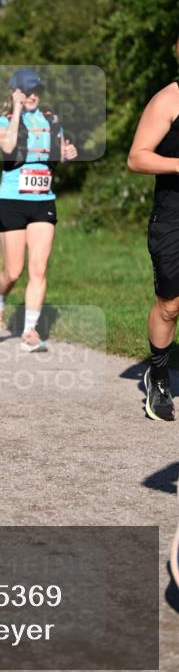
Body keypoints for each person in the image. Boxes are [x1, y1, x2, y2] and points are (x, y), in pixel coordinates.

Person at [0, 68, 77, 351]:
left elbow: (59, 152)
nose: (32, 95)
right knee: (13, 271)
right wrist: (16, 108)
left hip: (43, 201)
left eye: (36, 90)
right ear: (15, 91)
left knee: (39, 268)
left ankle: (30, 331)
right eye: (26, 90)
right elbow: (9, 146)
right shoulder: (3, 121)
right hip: (12, 201)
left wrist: (68, 153)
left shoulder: (51, 119)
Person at [127, 77, 179, 422]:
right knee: (170, 305)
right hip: (174, 215)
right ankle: (158, 378)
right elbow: (137, 158)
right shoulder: (169, 99)